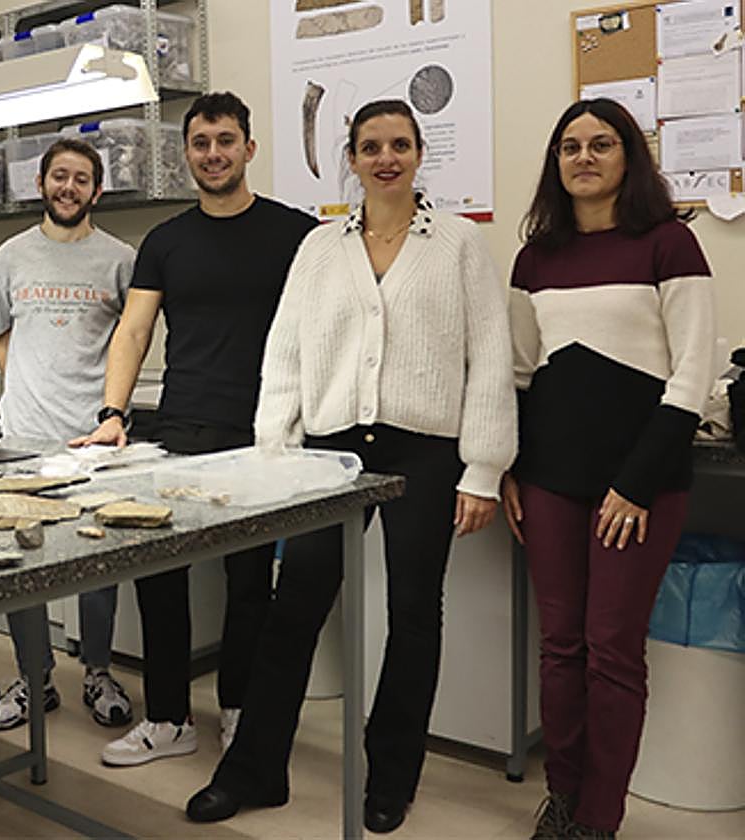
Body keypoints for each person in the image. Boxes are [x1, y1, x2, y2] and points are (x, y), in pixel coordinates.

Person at [185, 99, 516, 830]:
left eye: (399, 145)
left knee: (413, 613)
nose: (385, 158)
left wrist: (484, 469)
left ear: (419, 153)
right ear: (353, 158)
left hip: (424, 450)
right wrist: (274, 454)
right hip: (331, 452)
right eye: (371, 147)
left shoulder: (458, 243)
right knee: (295, 606)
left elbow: (490, 357)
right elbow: (286, 353)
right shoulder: (320, 247)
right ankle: (254, 770)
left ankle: (390, 776)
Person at [71, 91, 319, 766]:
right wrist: (112, 414)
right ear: (186, 153)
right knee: (159, 575)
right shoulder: (165, 241)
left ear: (249, 148)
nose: (213, 154)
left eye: (225, 140)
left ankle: (238, 710)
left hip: (262, 432)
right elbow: (133, 330)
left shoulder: (295, 235)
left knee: (249, 582)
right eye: (201, 143)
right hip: (178, 428)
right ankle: (169, 718)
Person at [503, 99, 714, 840]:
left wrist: (635, 482)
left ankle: (599, 818)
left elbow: (692, 375)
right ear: (555, 163)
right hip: (550, 480)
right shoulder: (535, 258)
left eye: (601, 144)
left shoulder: (669, 243)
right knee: (560, 648)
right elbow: (520, 375)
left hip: (639, 485)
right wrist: (508, 468)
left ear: (629, 155)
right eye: (570, 147)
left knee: (612, 653)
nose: (584, 157)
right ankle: (562, 798)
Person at [0, 137, 136, 732]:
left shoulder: (120, 259)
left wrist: (106, 409)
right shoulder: (9, 257)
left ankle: (97, 671)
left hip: (92, 440)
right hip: (22, 438)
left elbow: (133, 337)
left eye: (81, 179)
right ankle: (33, 678)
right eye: (59, 176)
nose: (68, 188)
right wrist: (25, 387)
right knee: (24, 566)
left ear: (98, 191)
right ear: (41, 183)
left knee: (97, 565)